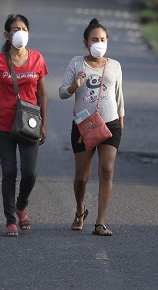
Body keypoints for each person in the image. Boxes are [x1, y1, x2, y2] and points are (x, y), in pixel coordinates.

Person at [59, 18, 125, 236]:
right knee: (82, 177)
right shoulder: (76, 63)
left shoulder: (115, 65)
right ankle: (80, 209)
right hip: (84, 125)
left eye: (103, 39)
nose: (99, 43)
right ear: (86, 42)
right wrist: (74, 86)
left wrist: (120, 125)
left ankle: (100, 221)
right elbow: (61, 92)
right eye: (95, 39)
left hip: (110, 124)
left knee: (106, 171)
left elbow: (119, 97)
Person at [0, 14, 49, 237]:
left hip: (29, 124)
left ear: (28, 33)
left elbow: (42, 95)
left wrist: (44, 124)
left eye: (23, 28)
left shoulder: (38, 59)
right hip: (3, 123)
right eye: (15, 29)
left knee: (30, 172)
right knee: (9, 171)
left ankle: (21, 206)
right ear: (7, 35)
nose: (20, 32)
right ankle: (10, 219)